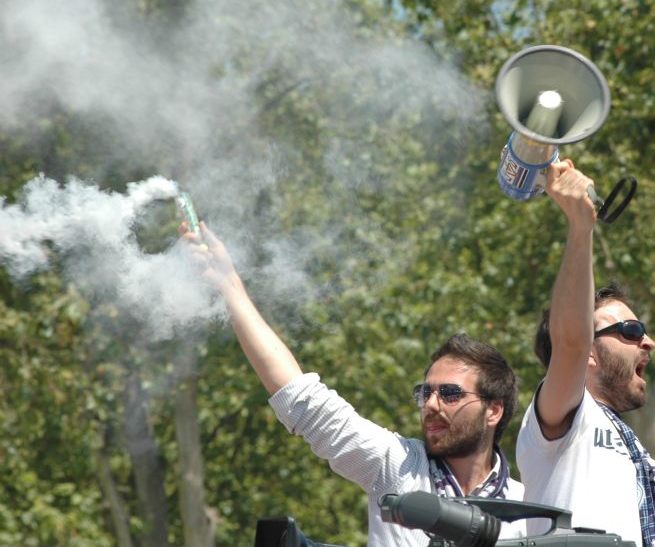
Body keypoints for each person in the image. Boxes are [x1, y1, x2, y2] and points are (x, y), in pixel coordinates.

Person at [181, 223, 525, 546]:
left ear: (493, 410)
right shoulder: (398, 464)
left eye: (449, 393)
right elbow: (304, 401)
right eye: (425, 392)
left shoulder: (528, 509)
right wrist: (229, 286)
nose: (432, 404)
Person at [515, 159, 655, 547]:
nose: (648, 342)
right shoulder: (567, 416)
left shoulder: (638, 457)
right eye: (631, 331)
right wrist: (580, 227)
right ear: (589, 352)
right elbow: (569, 342)